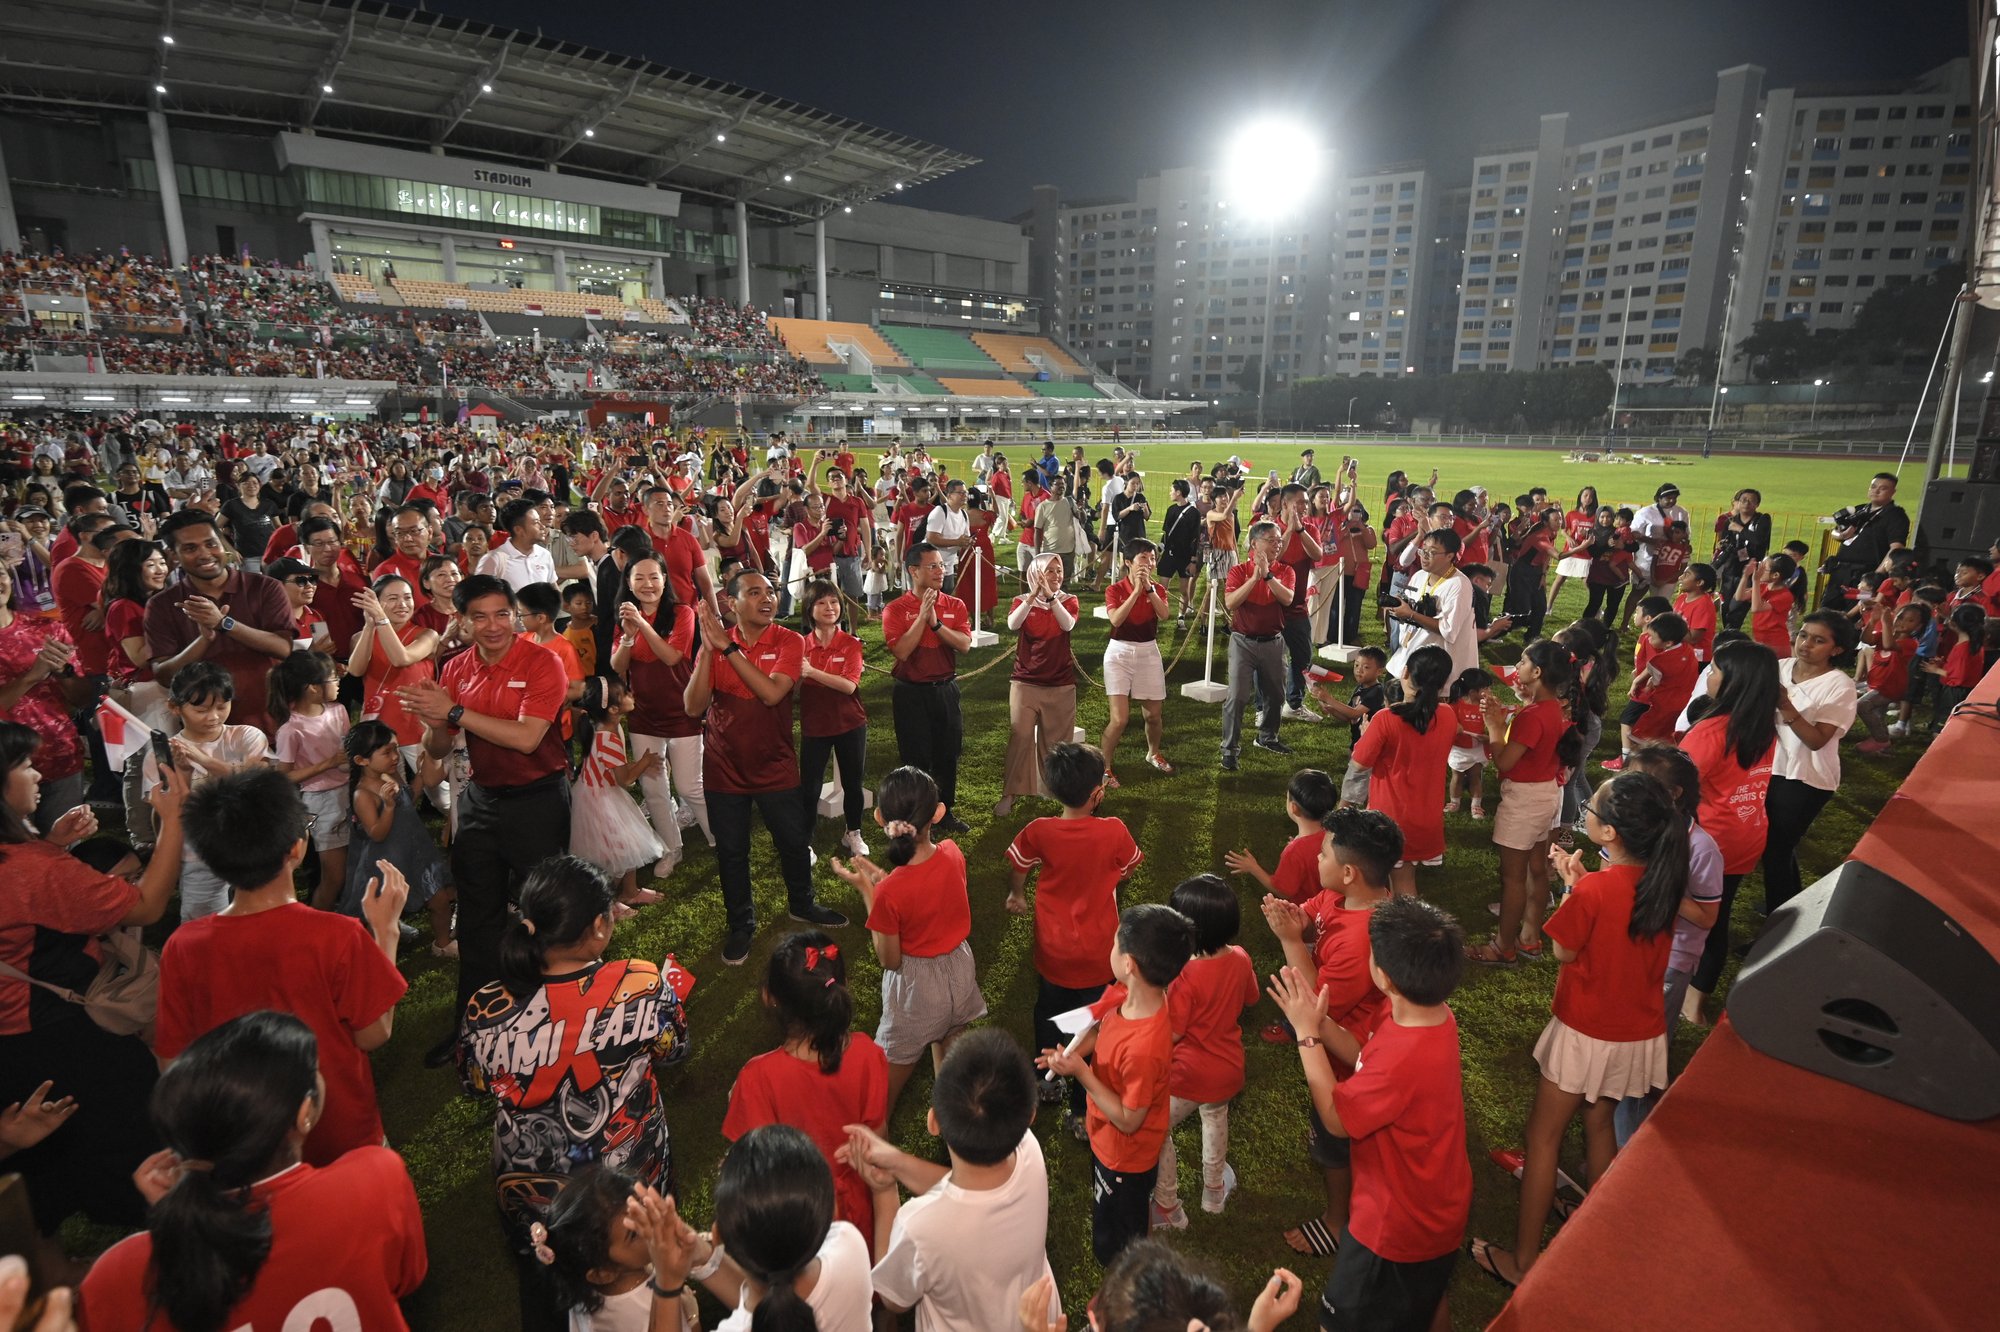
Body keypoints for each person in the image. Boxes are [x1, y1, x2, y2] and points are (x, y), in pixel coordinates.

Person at [1469, 772, 1687, 1288]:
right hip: (1638, 1032)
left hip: (1588, 1029)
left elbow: (1565, 949)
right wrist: (1578, 882)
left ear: (1609, 834)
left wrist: (1574, 890)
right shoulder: (1661, 881)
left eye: (1591, 806)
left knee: (1542, 1140)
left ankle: (1523, 1263)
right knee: (1599, 1125)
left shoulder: (1595, 889)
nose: (1585, 810)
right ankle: (1598, 1227)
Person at [78, 1013, 427, 1332]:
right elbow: (405, 1278)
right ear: (304, 1112)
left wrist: (183, 1213)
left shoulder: (114, 1278)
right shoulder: (373, 1179)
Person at [458, 854, 688, 1331]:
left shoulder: (485, 1006)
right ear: (600, 926)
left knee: (542, 1293)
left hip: (531, 1193)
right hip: (627, 1186)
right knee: (645, 1291)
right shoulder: (642, 983)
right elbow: (673, 1048)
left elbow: (475, 1082)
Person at [157, 766, 408, 1166]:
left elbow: (172, 1060)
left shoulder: (181, 947)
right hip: (339, 1133)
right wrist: (386, 932)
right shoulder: (338, 935)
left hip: (245, 1145)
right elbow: (373, 1034)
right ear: (296, 847)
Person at [0, 722, 186, 1248]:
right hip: (60, 1030)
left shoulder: (31, 862)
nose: (38, 773)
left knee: (40, 1154)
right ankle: (155, 1231)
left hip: (12, 1042)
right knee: (127, 1131)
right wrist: (172, 822)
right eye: (23, 766)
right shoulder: (31, 870)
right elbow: (147, 904)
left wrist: (51, 847)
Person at [1266, 895, 1471, 1332]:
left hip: (1394, 1223)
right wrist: (1320, 1022)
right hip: (1436, 1205)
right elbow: (1361, 1052)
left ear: (1383, 975)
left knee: (1341, 1320)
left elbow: (1337, 1118)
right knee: (1424, 1299)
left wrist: (1306, 1037)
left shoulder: (1403, 1055)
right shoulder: (1428, 1014)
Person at [399, 574, 574, 1066]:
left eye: (503, 613)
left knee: (545, 914)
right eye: (480, 616)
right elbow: (438, 745)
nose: (493, 625)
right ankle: (470, 1031)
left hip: (538, 800)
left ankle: (557, 1024)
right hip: (480, 800)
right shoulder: (456, 667)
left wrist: (453, 710)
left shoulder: (544, 662)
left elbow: (526, 739)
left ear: (515, 615)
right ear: (461, 620)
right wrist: (434, 723)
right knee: (477, 919)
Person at [841, 1029, 1057, 1332]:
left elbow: (893, 1298)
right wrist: (898, 1162)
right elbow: (970, 1192)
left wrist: (884, 1190)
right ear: (1030, 1116)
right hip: (1033, 1318)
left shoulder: (921, 1227)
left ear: (933, 1122)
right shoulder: (1028, 1150)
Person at [684, 569, 847, 967]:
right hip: (724, 767)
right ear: (731, 602)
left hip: (775, 765)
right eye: (754, 592)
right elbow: (692, 707)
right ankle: (741, 923)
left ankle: (802, 903)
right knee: (732, 852)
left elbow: (773, 693)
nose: (767, 598)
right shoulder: (717, 643)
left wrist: (728, 651)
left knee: (793, 840)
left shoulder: (789, 640)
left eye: (770, 591)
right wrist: (709, 651)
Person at [1257, 808, 1399, 1261]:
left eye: (1322, 853)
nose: (1316, 859)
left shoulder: (1364, 939)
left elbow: (1316, 1008)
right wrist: (1294, 916)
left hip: (1347, 1061)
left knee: (1334, 1141)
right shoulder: (1341, 897)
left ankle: (1338, 1221)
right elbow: (1311, 913)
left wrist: (1291, 942)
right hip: (1343, 1045)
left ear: (1350, 872)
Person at [1037, 903, 1195, 1266]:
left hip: (1125, 1156)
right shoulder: (1129, 994)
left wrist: (1081, 1073)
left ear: (1129, 964)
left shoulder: (1144, 1048)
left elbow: (1129, 1119)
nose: (1110, 949)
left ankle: (1128, 1283)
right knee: (1123, 1219)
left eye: (1114, 944)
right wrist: (1073, 1055)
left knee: (1122, 1241)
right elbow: (1102, 1031)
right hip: (1107, 1138)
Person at [830, 766, 988, 1119]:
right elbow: (928, 896)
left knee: (882, 1089)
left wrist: (869, 891)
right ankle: (956, 1126)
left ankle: (874, 1132)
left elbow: (889, 959)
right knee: (953, 1060)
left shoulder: (889, 892)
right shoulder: (952, 852)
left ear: (880, 818)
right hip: (960, 972)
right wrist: (883, 884)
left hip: (918, 991)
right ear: (938, 812)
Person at [722, 932, 889, 1253]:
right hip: (859, 1209)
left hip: (796, 1217)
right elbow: (877, 1141)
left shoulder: (757, 1078)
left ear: (769, 996)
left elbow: (755, 1168)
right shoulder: (868, 1053)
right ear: (840, 986)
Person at [1614, 747, 1723, 1145]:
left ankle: (1631, 1147)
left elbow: (1707, 917)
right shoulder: (1641, 830)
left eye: (1642, 780)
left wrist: (1656, 884)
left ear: (1674, 793)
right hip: (1633, 949)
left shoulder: (1702, 848)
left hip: (1670, 962)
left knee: (1644, 1058)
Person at [1147, 874, 1258, 1231]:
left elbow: (1175, 1032)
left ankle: (1167, 1205)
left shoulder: (1185, 975)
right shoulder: (1240, 958)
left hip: (1188, 1075)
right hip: (1228, 1068)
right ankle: (1213, 1194)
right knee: (1214, 1120)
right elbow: (1251, 997)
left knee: (1156, 1126)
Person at [1471, 639, 1586, 966]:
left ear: (1536, 672)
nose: (1517, 668)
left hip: (1524, 799)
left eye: (1522, 662)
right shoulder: (1552, 708)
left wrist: (1495, 726)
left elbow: (1505, 762)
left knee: (1512, 877)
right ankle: (1529, 938)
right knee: (1536, 869)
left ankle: (1502, 946)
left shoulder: (1533, 716)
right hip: (1546, 793)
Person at [146, 509, 295, 735]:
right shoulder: (162, 605)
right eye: (190, 548)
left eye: (211, 544)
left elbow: (283, 648)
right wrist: (204, 640)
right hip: (207, 734)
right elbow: (164, 675)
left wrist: (224, 623)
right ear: (173, 555)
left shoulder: (265, 587)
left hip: (273, 722)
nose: (205, 554)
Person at [613, 553, 708, 878]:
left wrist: (641, 625)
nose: (647, 584)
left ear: (665, 579)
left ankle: (719, 837)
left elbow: (671, 656)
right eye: (639, 578)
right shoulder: (626, 617)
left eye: (654, 577)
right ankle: (672, 848)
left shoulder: (682, 612)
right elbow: (618, 666)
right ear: (628, 583)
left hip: (682, 710)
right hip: (644, 715)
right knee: (654, 788)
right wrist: (628, 635)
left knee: (690, 786)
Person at [1762, 611, 1859, 915]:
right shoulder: (1779, 668)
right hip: (1767, 769)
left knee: (1777, 849)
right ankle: (1785, 906)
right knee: (1772, 847)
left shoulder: (1839, 686)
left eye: (1819, 640)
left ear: (1837, 649)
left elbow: (1817, 740)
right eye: (1803, 635)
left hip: (1805, 777)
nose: (1805, 644)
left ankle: (1782, 920)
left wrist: (1785, 704)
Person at [1350, 645, 1456, 896]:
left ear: (1405, 672)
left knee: (1391, 887)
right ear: (1442, 684)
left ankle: (1404, 933)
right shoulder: (1449, 716)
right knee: (1404, 880)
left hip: (1391, 819)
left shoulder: (1386, 719)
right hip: (1427, 817)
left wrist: (1366, 736)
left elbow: (1359, 762)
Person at [882, 542, 973, 834]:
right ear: (913, 571)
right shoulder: (895, 609)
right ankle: (919, 818)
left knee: (948, 756)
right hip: (911, 693)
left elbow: (964, 645)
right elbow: (902, 651)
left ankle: (945, 813)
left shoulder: (954, 604)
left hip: (945, 689)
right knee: (915, 758)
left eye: (941, 565)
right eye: (932, 566)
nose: (940, 571)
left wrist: (935, 625)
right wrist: (922, 617)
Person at [341, 718, 452, 949]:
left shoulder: (389, 774)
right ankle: (381, 959)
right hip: (387, 863)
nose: (395, 757)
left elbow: (407, 798)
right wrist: (388, 808)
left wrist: (421, 775)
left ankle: (443, 943)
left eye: (395, 749)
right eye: (387, 752)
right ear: (361, 760)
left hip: (414, 852)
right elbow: (377, 833)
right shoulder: (362, 794)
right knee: (383, 914)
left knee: (439, 899)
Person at [569, 675, 667, 916]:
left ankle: (630, 891)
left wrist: (639, 764)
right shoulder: (607, 738)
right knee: (612, 853)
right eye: (625, 694)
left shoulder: (607, 727)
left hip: (602, 792)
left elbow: (615, 772)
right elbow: (624, 779)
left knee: (628, 842)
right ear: (613, 709)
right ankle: (605, 903)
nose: (631, 695)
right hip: (599, 801)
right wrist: (644, 762)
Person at [0, 565, 87, 831]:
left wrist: (64, 672)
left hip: (60, 755)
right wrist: (31, 676)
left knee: (66, 855)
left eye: (0, 574)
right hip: (6, 769)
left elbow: (82, 698)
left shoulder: (46, 628)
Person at [267, 650, 353, 910]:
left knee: (358, 863)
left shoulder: (338, 710)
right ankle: (318, 920)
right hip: (322, 802)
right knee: (334, 875)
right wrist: (328, 764)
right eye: (332, 678)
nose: (338, 682)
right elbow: (285, 776)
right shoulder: (291, 729)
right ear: (313, 688)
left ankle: (356, 913)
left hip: (350, 791)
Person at [997, 554, 1079, 816]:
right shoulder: (1021, 602)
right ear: (1036, 573)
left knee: (1058, 743)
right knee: (1020, 736)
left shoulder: (1068, 601)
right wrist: (1033, 596)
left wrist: (1052, 598)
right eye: (1050, 571)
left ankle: (1053, 789)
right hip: (1025, 681)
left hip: (1060, 683)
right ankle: (1010, 792)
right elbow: (1012, 624)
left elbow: (1067, 624)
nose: (1056, 576)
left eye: (1059, 571)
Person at [797, 578, 870, 858]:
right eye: (821, 602)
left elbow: (849, 685)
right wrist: (798, 677)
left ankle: (852, 832)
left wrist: (812, 673)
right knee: (810, 787)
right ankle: (805, 840)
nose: (830, 608)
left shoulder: (851, 644)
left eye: (834, 602)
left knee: (853, 784)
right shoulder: (800, 645)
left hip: (850, 724)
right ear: (809, 609)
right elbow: (791, 689)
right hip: (815, 726)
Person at [1219, 520, 1297, 771]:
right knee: (1238, 696)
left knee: (1276, 695)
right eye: (1272, 540)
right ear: (1255, 543)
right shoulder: (1238, 571)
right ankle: (1229, 749)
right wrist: (1254, 579)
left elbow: (1287, 598)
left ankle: (1267, 737)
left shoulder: (1286, 571)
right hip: (1243, 641)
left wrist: (1268, 576)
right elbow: (1231, 602)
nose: (1278, 544)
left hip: (1274, 642)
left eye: (1279, 540)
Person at [1099, 537, 1174, 782]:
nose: (1150, 563)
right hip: (1119, 653)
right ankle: (1104, 767)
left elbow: (1164, 615)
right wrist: (1135, 592)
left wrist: (1149, 590)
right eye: (1144, 558)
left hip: (1148, 652)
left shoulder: (1158, 589)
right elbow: (1116, 620)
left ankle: (1153, 753)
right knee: (1119, 719)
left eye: (1153, 558)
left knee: (1153, 716)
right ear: (1128, 562)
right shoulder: (1115, 590)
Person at [1222, 768, 1338, 905]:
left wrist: (1254, 868)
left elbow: (1283, 891)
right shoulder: (1335, 833)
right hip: (1330, 904)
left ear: (1294, 808)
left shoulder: (1294, 852)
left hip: (1307, 913)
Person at [1388, 529, 1476, 680]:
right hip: (1408, 655)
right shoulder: (1420, 575)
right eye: (1423, 550)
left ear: (1450, 556)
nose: (1424, 556)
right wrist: (1400, 611)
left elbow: (1448, 630)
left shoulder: (1459, 584)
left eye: (1432, 552)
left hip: (1436, 668)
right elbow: (1410, 611)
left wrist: (1411, 614)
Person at [1820, 472, 1909, 609]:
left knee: (1854, 612)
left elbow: (1896, 548)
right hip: (1840, 572)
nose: (1876, 491)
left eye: (1883, 488)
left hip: (1865, 576)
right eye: (1873, 486)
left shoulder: (1896, 515)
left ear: (1893, 492)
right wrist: (1841, 535)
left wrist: (1877, 575)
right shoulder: (1859, 509)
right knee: (1826, 611)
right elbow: (1835, 532)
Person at [1854, 602, 1928, 755]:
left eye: (1910, 621)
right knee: (1877, 714)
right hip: (1878, 683)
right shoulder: (1885, 635)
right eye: (1901, 617)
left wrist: (1886, 623)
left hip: (1891, 686)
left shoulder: (1910, 643)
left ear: (1918, 627)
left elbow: (1888, 645)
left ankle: (1880, 740)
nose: (1902, 622)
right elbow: (1866, 639)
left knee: (1862, 705)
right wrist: (1873, 621)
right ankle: (1883, 746)